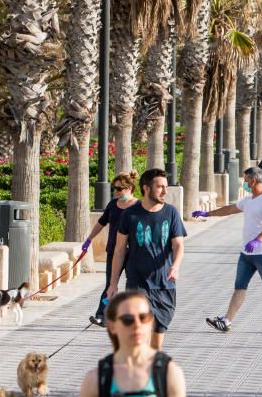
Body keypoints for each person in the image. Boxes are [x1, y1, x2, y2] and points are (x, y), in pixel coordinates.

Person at [195, 167, 262, 333]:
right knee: (240, 286)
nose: (244, 183)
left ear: (254, 181)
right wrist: (207, 214)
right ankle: (226, 321)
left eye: (246, 180)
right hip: (246, 253)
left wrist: (257, 240)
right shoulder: (249, 199)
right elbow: (230, 209)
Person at [107, 169, 186, 350]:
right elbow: (119, 250)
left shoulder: (171, 213)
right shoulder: (130, 214)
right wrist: (113, 284)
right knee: (140, 335)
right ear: (146, 188)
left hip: (164, 285)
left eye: (165, 187)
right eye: (160, 187)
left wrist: (175, 266)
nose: (165, 191)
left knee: (156, 344)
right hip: (137, 283)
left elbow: (179, 245)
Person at [79, 290, 187, 397]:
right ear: (112, 326)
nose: (137, 325)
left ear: (151, 322)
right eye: (128, 319)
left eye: (143, 318)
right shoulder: (96, 379)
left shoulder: (169, 374)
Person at [85, 171, 140, 327]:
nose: (115, 192)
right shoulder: (112, 205)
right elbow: (101, 223)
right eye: (114, 189)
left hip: (133, 253)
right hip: (113, 252)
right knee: (110, 284)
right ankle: (102, 315)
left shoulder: (138, 206)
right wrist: (89, 239)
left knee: (133, 285)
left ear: (129, 188)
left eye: (118, 189)